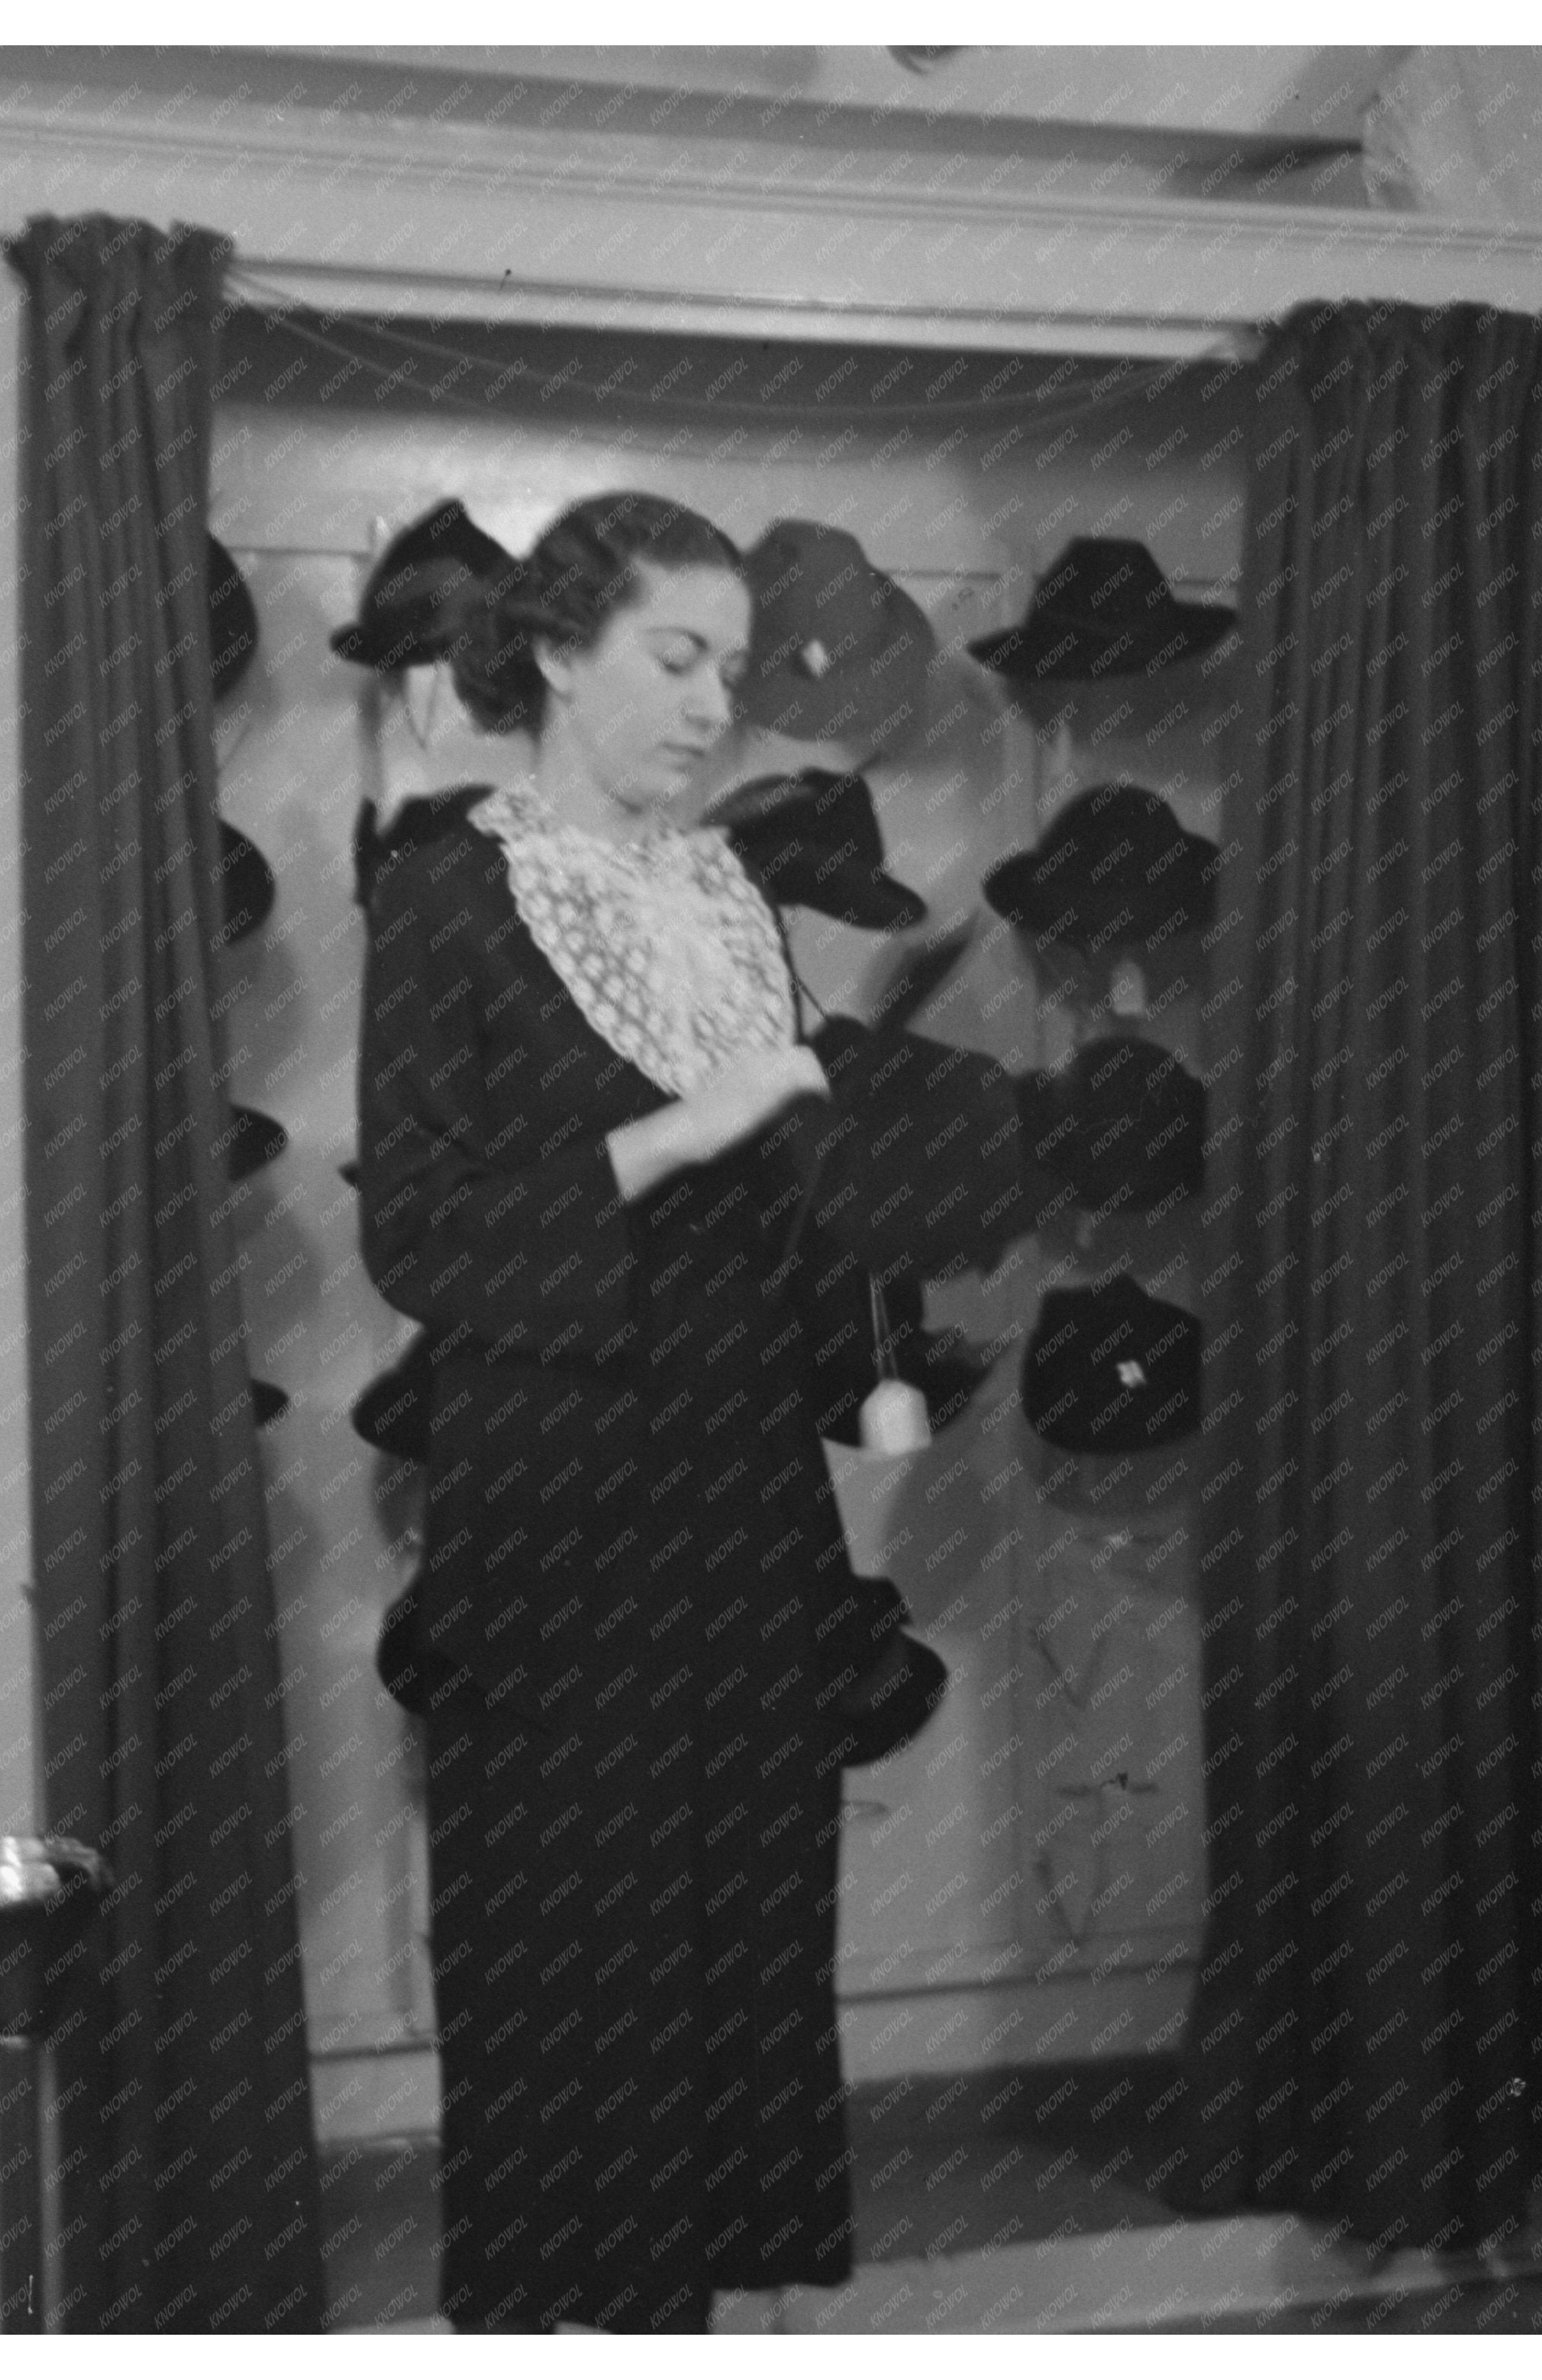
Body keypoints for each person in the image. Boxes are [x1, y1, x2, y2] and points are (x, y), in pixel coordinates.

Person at [354, 491, 924, 2333]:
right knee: (570, 1927)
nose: (708, 706)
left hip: (741, 1487)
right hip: (556, 1485)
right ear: (553, 651)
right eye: (672, 658)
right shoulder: (446, 893)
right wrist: (680, 1125)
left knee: (744, 1909)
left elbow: (794, 1191)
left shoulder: (732, 891)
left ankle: (695, 2321)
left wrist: (870, 1330)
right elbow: (418, 1233)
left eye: (731, 672)